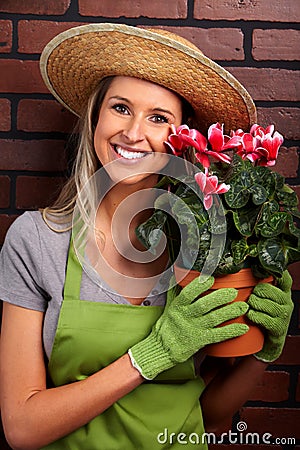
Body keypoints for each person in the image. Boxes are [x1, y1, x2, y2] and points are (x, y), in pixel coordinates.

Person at [0, 23, 294, 450]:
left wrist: (263, 353)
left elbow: (206, 415)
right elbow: (23, 428)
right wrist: (150, 356)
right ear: (95, 118)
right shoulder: (37, 241)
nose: (134, 133)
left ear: (184, 139)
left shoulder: (214, 246)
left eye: (159, 118)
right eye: (121, 108)